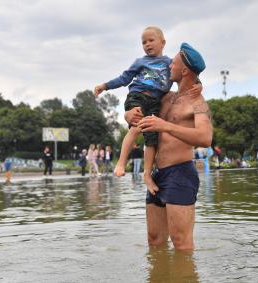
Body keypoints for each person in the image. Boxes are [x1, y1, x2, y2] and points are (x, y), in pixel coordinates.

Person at [126, 42, 211, 250]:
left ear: (183, 71)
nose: (167, 67)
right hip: (156, 175)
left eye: (172, 64)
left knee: (181, 244)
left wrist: (166, 126)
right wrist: (128, 114)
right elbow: (137, 107)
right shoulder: (164, 97)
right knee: (154, 241)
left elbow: (205, 137)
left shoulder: (198, 102)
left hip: (180, 173)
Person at [94, 26, 201, 188]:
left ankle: (146, 174)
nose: (147, 44)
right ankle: (121, 163)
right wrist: (105, 86)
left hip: (155, 102)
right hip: (137, 97)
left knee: (152, 140)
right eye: (144, 42)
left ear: (163, 42)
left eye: (151, 40)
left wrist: (199, 84)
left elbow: (186, 73)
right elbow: (124, 78)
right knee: (136, 128)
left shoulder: (170, 63)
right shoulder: (140, 62)